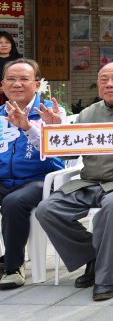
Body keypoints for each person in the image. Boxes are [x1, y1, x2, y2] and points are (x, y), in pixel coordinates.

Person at [35, 62, 113, 301]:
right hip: (90, 182)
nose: (109, 84)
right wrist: (56, 132)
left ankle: (105, 278)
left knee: (112, 207)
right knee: (47, 209)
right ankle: (91, 256)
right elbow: (71, 153)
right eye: (104, 79)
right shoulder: (89, 113)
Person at [0, 59, 66, 289]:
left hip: (40, 181)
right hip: (3, 179)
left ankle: (13, 266)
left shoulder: (52, 111)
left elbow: (58, 155)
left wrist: (28, 127)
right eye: (11, 79)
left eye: (24, 79)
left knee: (13, 203)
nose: (17, 84)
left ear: (37, 85)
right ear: (2, 85)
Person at [0, 31, 22, 104]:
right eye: (0, 43)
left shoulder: (20, 60)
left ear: (12, 44)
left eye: (7, 42)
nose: (4, 45)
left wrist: (6, 88)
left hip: (16, 94)